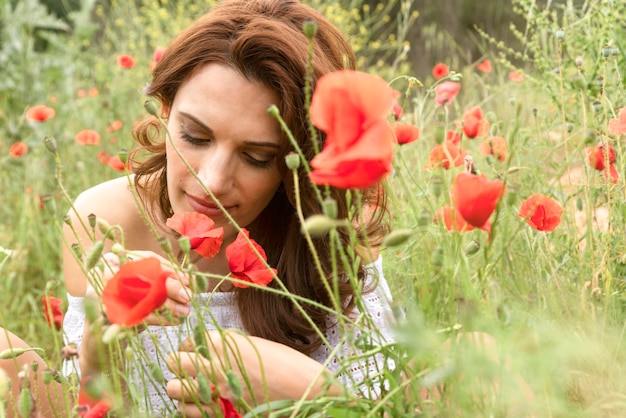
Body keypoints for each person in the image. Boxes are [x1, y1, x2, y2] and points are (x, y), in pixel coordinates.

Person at [1, 1, 397, 416]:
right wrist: (99, 354)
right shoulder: (103, 221)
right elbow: (93, 407)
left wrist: (309, 395)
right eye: (195, 136)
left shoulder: (331, 233)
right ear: (166, 110)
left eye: (257, 157)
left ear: (295, 159)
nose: (212, 180)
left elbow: (391, 406)